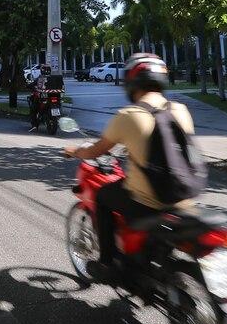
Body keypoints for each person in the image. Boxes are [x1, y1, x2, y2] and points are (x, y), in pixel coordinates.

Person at [61, 53, 197, 283]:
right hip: (184, 197)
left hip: (146, 201)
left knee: (103, 196)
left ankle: (106, 263)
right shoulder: (180, 109)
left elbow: (97, 150)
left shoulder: (129, 116)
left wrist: (75, 151)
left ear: (132, 82)